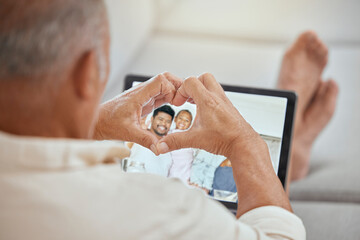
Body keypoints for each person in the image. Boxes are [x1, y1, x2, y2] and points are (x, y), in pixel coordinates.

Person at [3, 0, 342, 239]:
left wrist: (95, 125)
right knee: (260, 178)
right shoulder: (159, 210)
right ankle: (284, 163)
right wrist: (243, 141)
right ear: (88, 75)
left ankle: (290, 157)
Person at [127, 105, 175, 176]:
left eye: (168, 121)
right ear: (152, 119)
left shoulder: (169, 147)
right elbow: (125, 146)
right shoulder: (140, 135)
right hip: (135, 184)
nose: (164, 123)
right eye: (160, 119)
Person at [168, 110, 194, 182]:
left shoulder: (190, 137)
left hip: (187, 174)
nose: (183, 121)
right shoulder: (168, 133)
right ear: (175, 119)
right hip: (173, 171)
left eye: (186, 120)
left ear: (190, 124)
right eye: (181, 118)